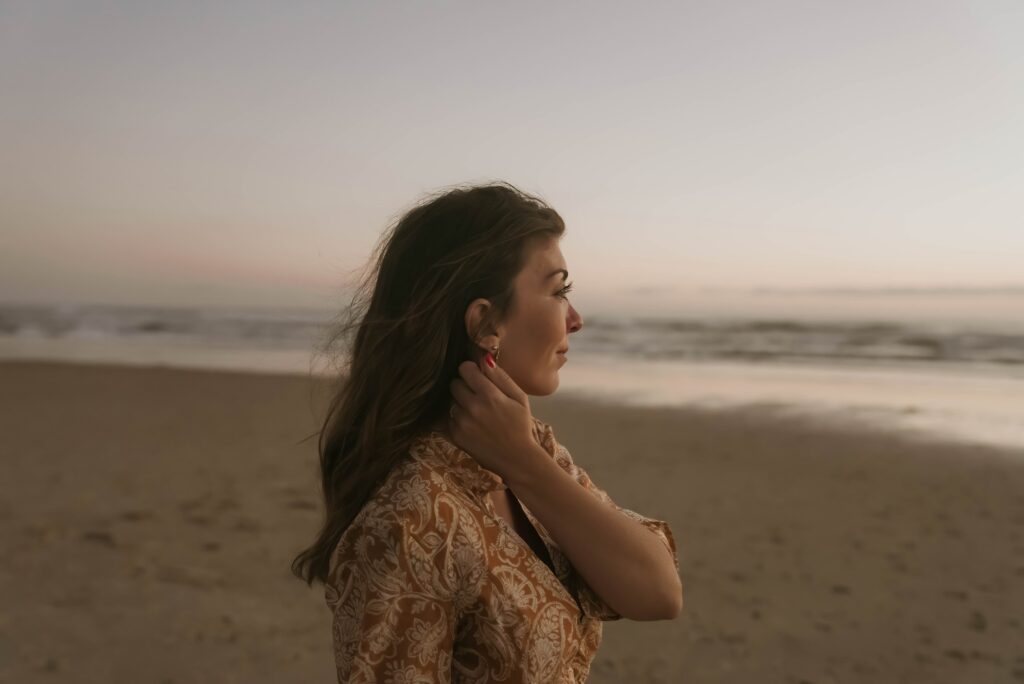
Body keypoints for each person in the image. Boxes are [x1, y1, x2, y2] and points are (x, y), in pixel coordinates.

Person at [292, 181, 682, 683]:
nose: (577, 320)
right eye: (558, 291)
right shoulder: (409, 520)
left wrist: (525, 462)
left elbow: (657, 592)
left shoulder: (526, 448)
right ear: (484, 323)